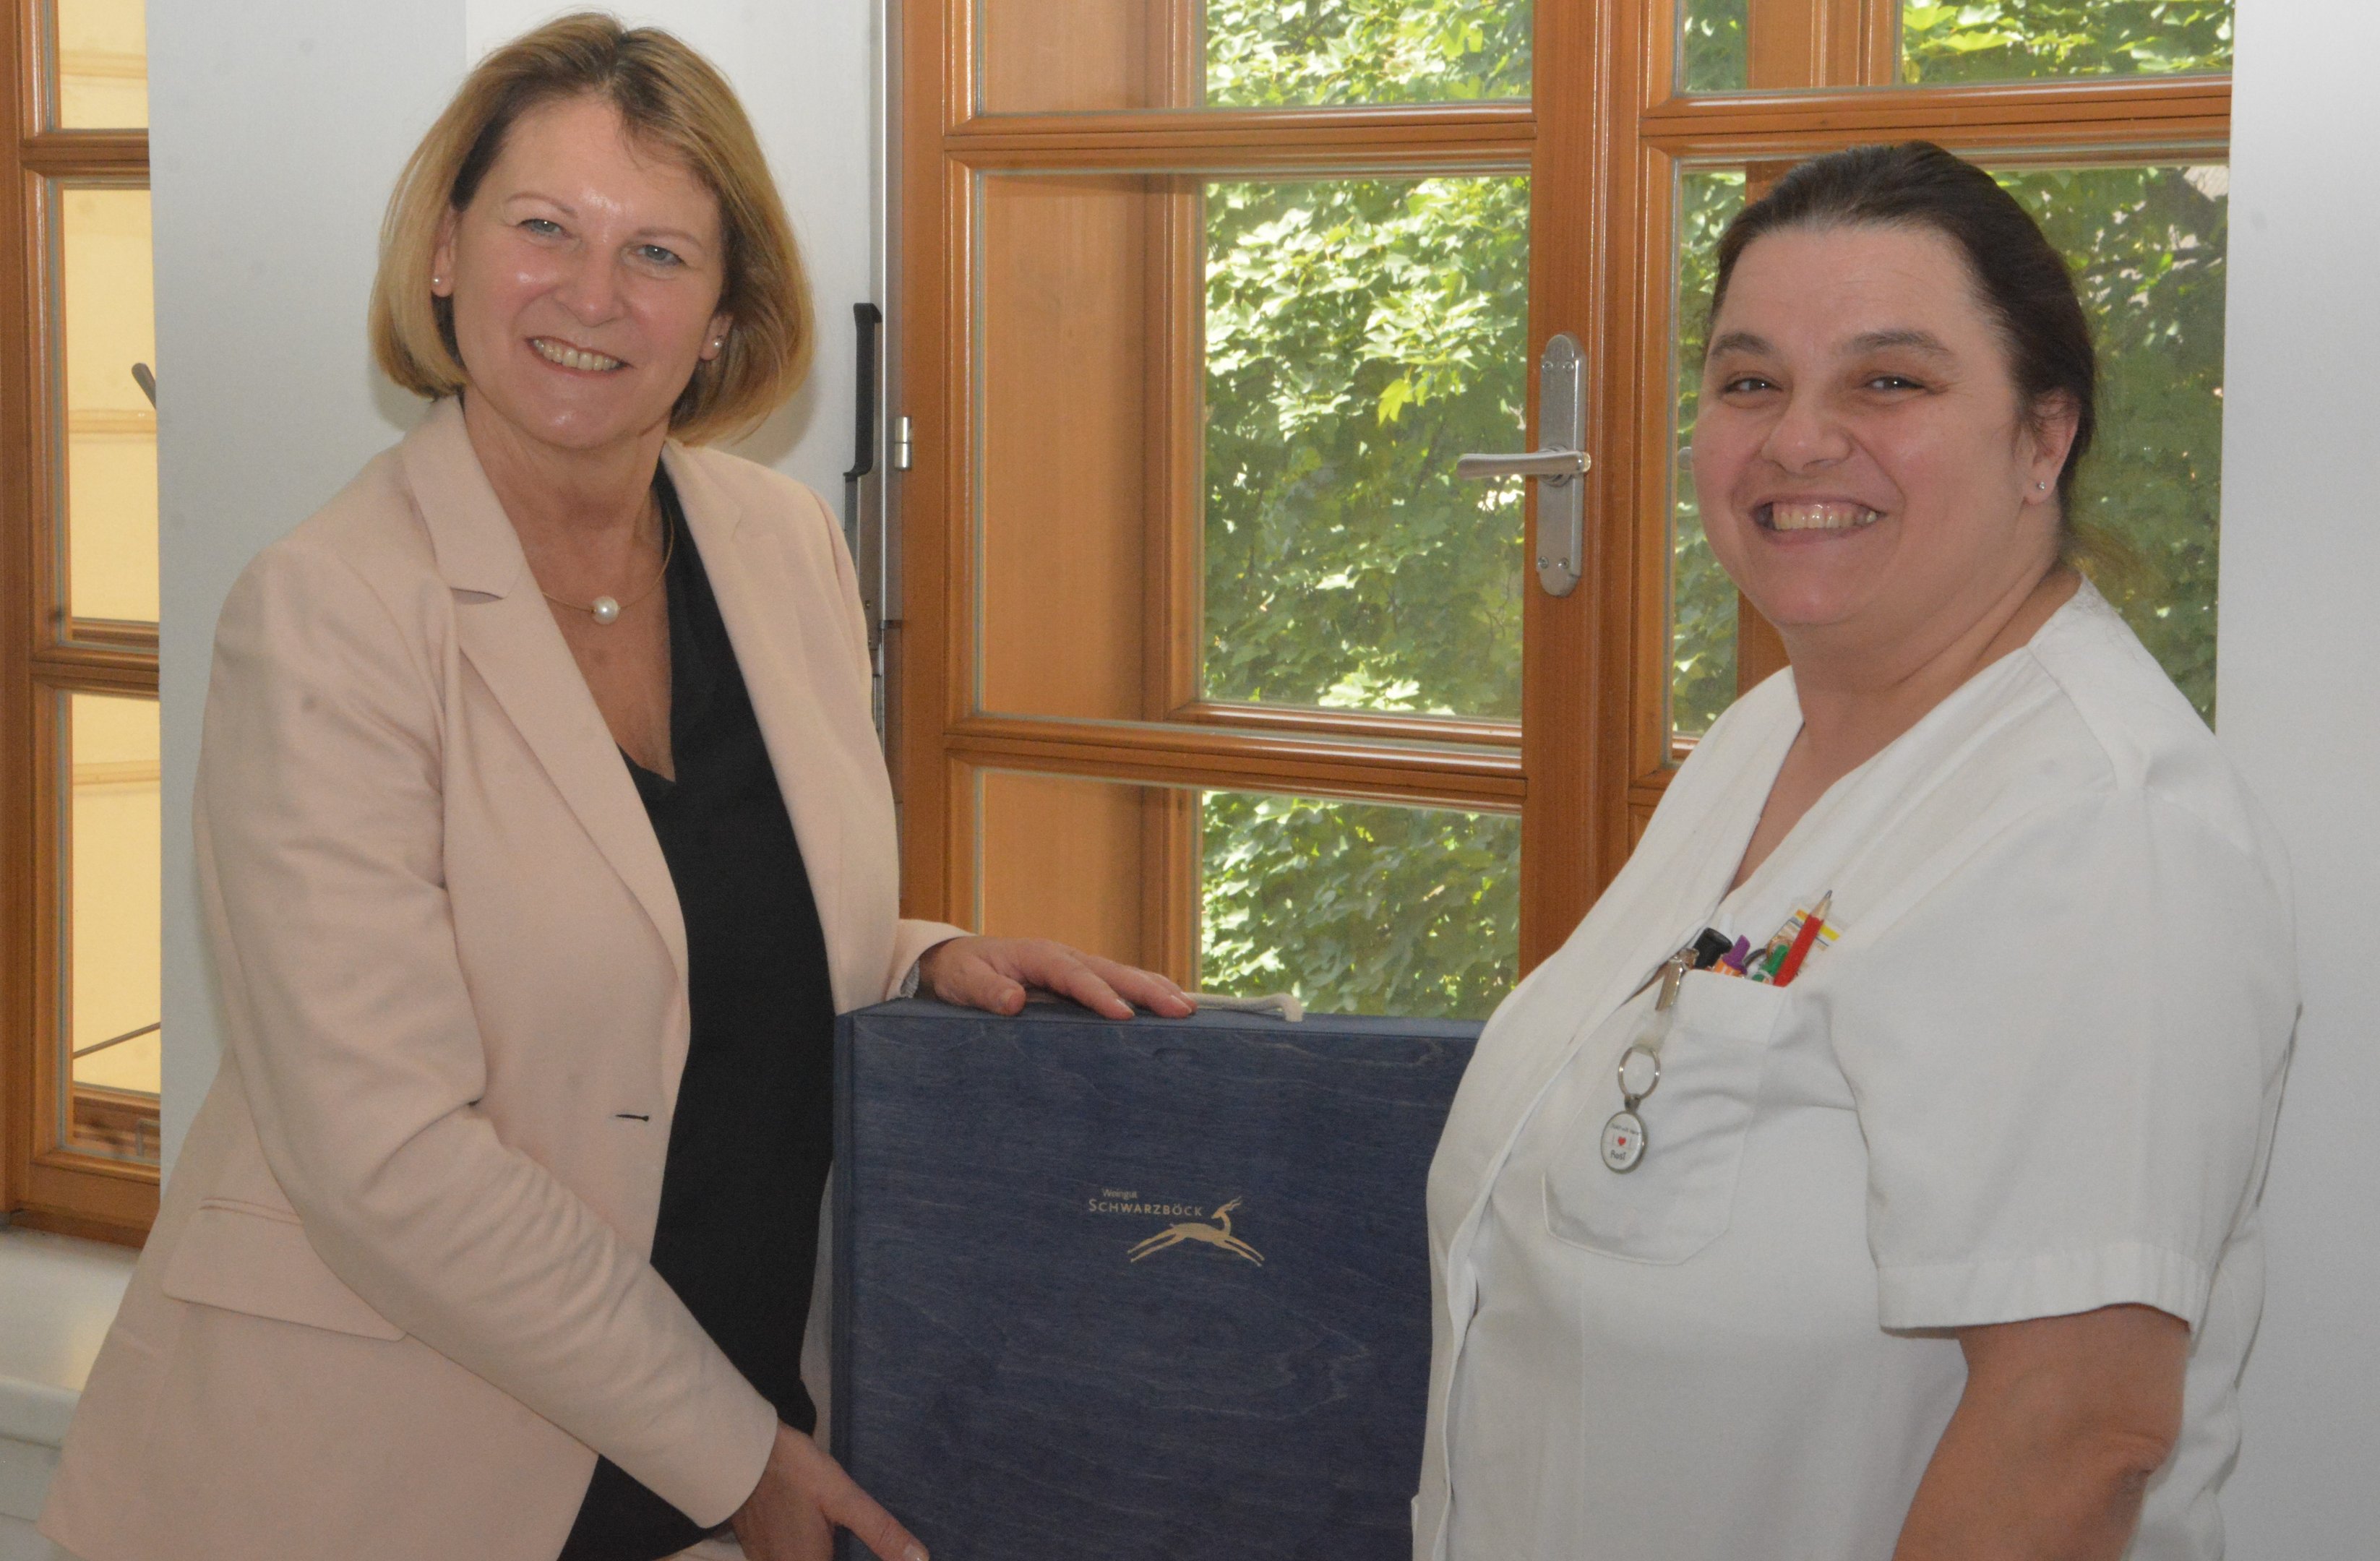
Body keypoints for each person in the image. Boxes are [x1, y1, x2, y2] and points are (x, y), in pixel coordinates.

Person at [39, 17, 1190, 1561]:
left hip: (742, 1421)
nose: (592, 296)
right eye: (542, 228)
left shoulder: (782, 546)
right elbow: (386, 1155)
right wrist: (737, 1457)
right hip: (391, 1473)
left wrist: (921, 963)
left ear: (721, 316)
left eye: (657, 253)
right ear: (443, 252)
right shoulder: (328, 609)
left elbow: (688, 915)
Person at [1419, 142, 2295, 1561]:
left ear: (2042, 438)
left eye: (1888, 382)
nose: (1799, 440)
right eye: (1749, 382)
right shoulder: (1769, 734)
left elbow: (2077, 1438)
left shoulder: (2102, 828)